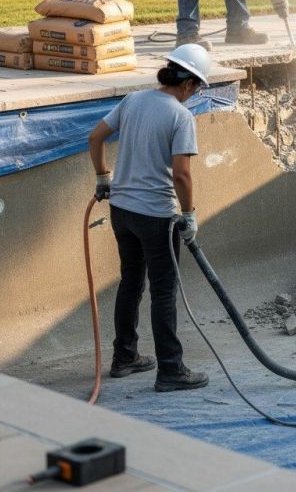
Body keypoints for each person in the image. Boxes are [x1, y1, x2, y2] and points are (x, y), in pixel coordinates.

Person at [88, 44, 211, 393]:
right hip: (156, 215)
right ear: (188, 85)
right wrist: (189, 215)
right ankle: (171, 369)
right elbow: (182, 175)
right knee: (163, 292)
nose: (195, 94)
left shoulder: (134, 100)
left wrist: (102, 178)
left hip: (122, 211)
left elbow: (95, 137)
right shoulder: (180, 116)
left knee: (131, 283)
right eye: (197, 88)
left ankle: (124, 357)